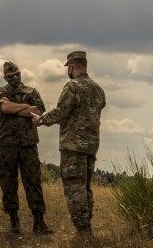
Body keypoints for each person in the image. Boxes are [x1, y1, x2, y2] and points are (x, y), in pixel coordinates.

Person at [33, 51, 106, 238]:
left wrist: (39, 120)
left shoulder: (72, 87)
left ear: (72, 66)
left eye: (69, 68)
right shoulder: (98, 89)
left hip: (73, 146)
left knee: (75, 188)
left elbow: (61, 112)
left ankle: (83, 231)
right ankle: (86, 226)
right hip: (91, 146)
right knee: (85, 187)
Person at [0, 61, 53, 235]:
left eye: (17, 74)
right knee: (8, 183)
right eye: (11, 76)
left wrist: (15, 109)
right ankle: (13, 221)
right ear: (5, 78)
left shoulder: (31, 91)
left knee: (33, 182)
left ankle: (39, 222)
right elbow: (4, 107)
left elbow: (39, 111)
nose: (15, 78)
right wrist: (26, 108)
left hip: (28, 144)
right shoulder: (0, 92)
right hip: (7, 145)